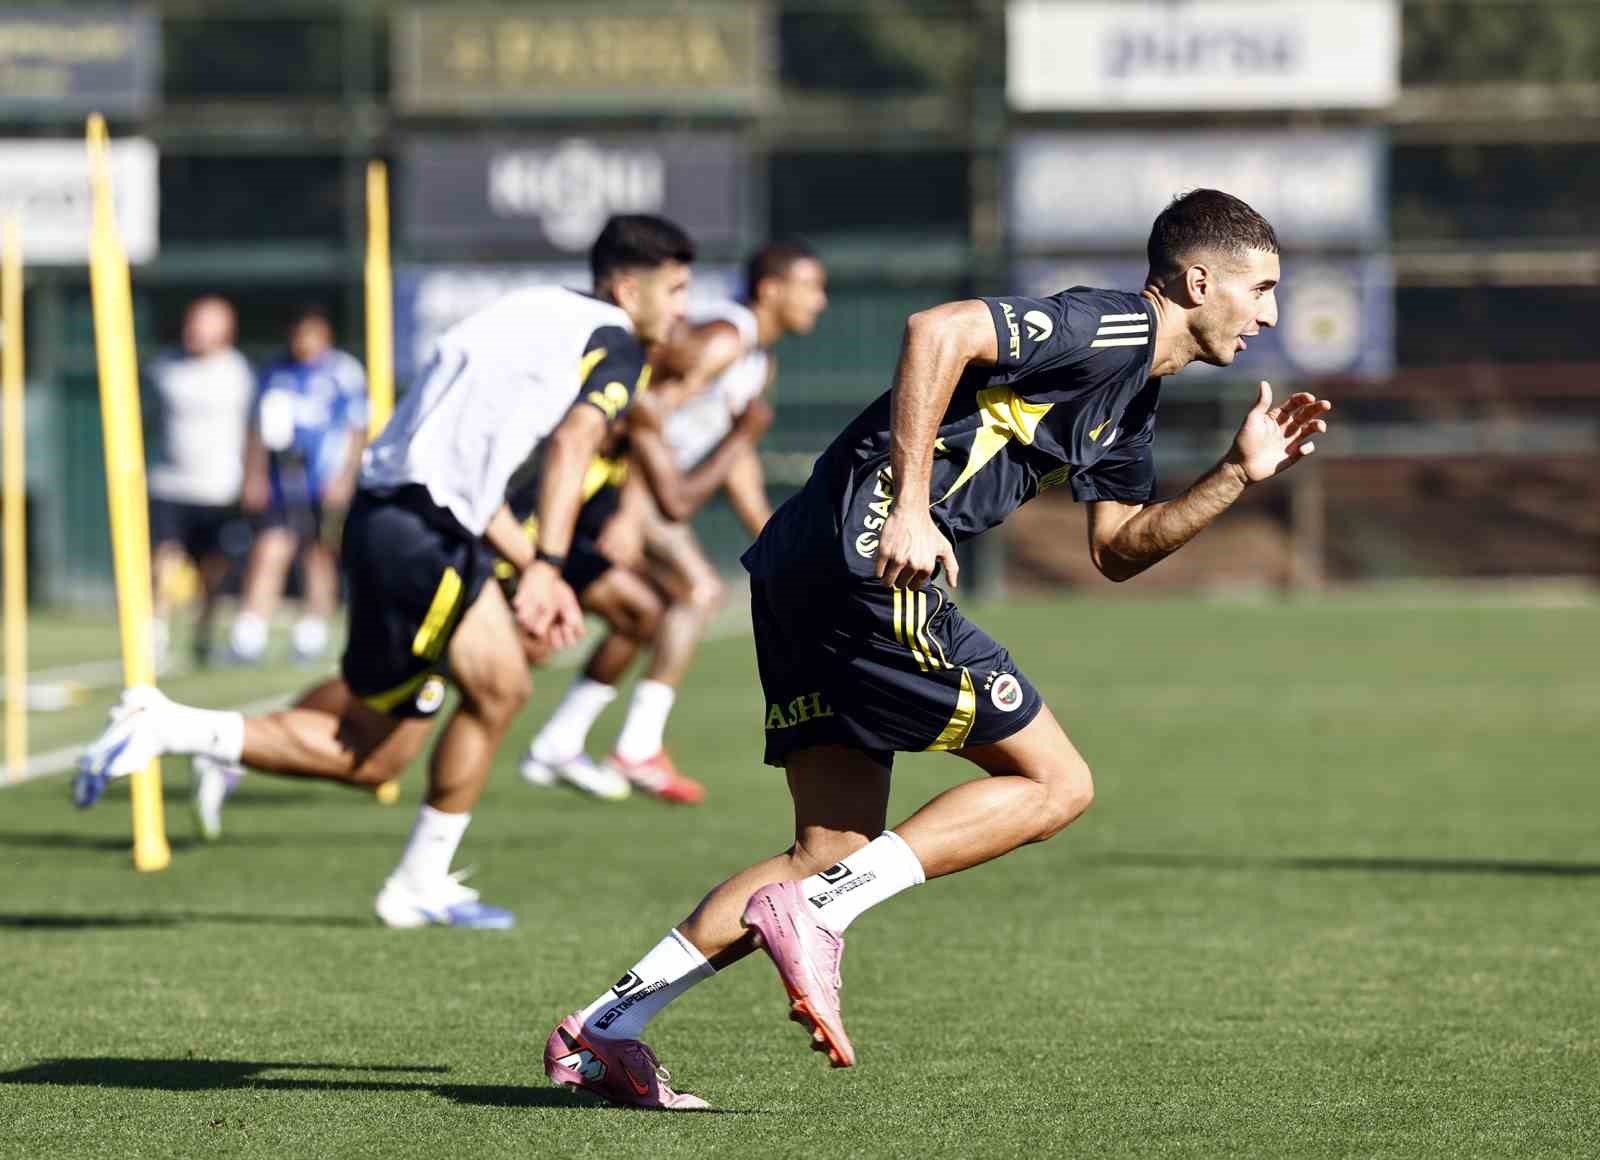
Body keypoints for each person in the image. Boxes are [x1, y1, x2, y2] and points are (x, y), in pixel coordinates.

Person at [542, 189, 1334, 1109]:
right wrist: (914, 505)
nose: (1271, 312)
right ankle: (823, 912)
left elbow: (1118, 550)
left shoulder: (1134, 398)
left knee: (826, 848)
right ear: (1200, 281)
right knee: (1056, 783)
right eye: (1262, 287)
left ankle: (602, 1030)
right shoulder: (1111, 325)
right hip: (873, 555)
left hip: (802, 568)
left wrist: (1236, 473)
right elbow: (937, 329)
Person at [72, 215, 695, 925]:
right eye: (675, 290)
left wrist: (527, 562)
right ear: (625, 286)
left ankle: (420, 882)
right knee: (368, 757)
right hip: (419, 537)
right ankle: (171, 727)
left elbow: (465, 468)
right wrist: (550, 565)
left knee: (502, 686)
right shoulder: (613, 341)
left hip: (413, 522)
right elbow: (573, 444)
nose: (681, 308)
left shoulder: (524, 314)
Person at [521, 242, 828, 804]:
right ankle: (626, 745)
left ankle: (569, 740)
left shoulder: (759, 358)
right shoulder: (725, 340)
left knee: (645, 613)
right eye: (811, 286)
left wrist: (770, 535)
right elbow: (647, 417)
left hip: (651, 496)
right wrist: (632, 514)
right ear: (771, 289)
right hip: (619, 488)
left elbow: (738, 458)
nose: (821, 301)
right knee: (686, 594)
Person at [503, 385, 775, 800]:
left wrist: (628, 516)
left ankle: (562, 744)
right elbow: (677, 500)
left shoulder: (633, 419)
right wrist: (741, 435)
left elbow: (645, 476)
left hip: (557, 544)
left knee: (641, 614)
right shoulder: (611, 413)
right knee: (497, 667)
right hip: (509, 550)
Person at [229, 308, 368, 666]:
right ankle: (250, 634)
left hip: (322, 482)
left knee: (318, 554)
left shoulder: (344, 372)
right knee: (270, 550)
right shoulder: (275, 372)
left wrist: (345, 477)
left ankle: (311, 632)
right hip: (281, 483)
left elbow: (357, 429)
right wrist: (254, 475)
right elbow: (258, 428)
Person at [144, 296, 254, 669]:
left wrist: (251, 477)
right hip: (169, 483)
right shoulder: (165, 368)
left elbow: (252, 431)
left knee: (214, 568)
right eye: (193, 321)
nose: (195, 330)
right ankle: (153, 636)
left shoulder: (239, 373)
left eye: (205, 323)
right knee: (163, 558)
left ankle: (204, 634)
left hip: (219, 488)